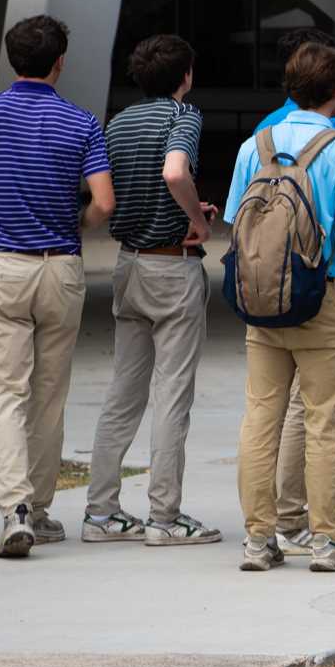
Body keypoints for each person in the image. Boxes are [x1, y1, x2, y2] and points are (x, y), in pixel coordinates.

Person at [0, 14, 115, 558]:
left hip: (1, 264)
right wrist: (77, 223)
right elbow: (104, 202)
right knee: (49, 394)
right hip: (59, 266)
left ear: (11, 58)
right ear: (60, 62)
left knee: (3, 393)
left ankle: (14, 509)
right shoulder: (82, 122)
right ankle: (41, 511)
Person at [226, 42, 335, 573]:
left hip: (265, 305)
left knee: (260, 418)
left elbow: (235, 226)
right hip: (325, 300)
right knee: (322, 424)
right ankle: (325, 539)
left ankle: (257, 539)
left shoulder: (255, 146)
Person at [83, 33, 221, 548]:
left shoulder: (117, 123)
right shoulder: (183, 116)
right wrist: (196, 220)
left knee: (124, 391)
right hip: (172, 268)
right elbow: (173, 171)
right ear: (185, 76)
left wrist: (184, 209)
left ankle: (101, 511)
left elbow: (114, 195)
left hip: (129, 264)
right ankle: (165, 515)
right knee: (172, 395)